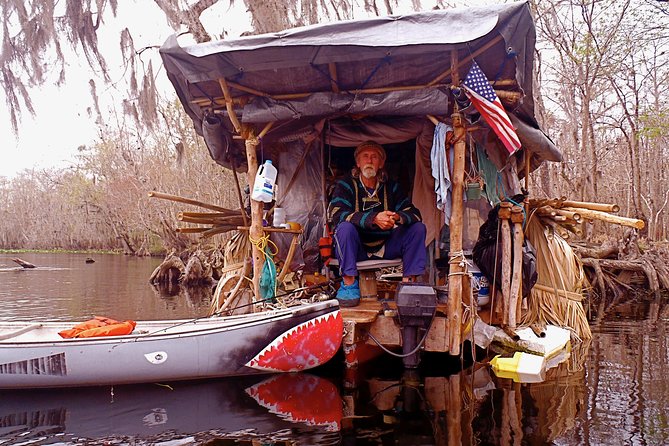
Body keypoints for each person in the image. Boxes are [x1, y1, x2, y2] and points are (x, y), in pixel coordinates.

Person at [327, 141, 427, 307]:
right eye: (365, 157)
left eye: (374, 157)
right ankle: (349, 284)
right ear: (358, 163)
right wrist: (373, 219)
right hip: (356, 248)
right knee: (344, 228)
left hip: (386, 246)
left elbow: (414, 213)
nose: (369, 160)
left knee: (417, 228)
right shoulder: (345, 185)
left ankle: (409, 285)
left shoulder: (392, 187)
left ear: (381, 164)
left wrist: (395, 217)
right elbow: (337, 214)